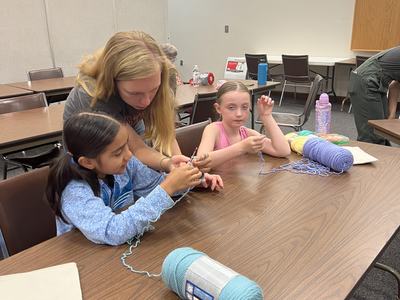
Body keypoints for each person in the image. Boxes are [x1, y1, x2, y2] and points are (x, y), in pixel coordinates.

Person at [46, 112, 223, 246]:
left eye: (126, 147)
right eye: (117, 152)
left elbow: (155, 187)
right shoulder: (74, 191)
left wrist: (190, 178)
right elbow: (113, 231)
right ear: (88, 162)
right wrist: (169, 187)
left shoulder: (125, 163)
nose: (129, 155)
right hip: (86, 258)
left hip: (120, 250)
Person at [64, 31, 209, 172]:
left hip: (129, 137)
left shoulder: (161, 78)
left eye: (154, 90)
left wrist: (181, 165)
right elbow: (137, 149)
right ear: (113, 81)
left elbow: (166, 134)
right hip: (91, 167)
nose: (146, 102)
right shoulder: (92, 94)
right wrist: (168, 164)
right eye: (134, 93)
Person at [197, 81, 291, 168]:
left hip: (236, 183)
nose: (239, 114)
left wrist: (266, 116)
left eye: (244, 107)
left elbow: (283, 151)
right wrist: (242, 147)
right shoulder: (213, 129)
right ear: (218, 108)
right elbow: (201, 162)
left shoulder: (247, 134)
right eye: (231, 107)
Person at [349, 46, 400, 144]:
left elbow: (395, 85)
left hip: (377, 84)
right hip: (366, 82)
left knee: (382, 131)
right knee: (372, 135)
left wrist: (391, 115)